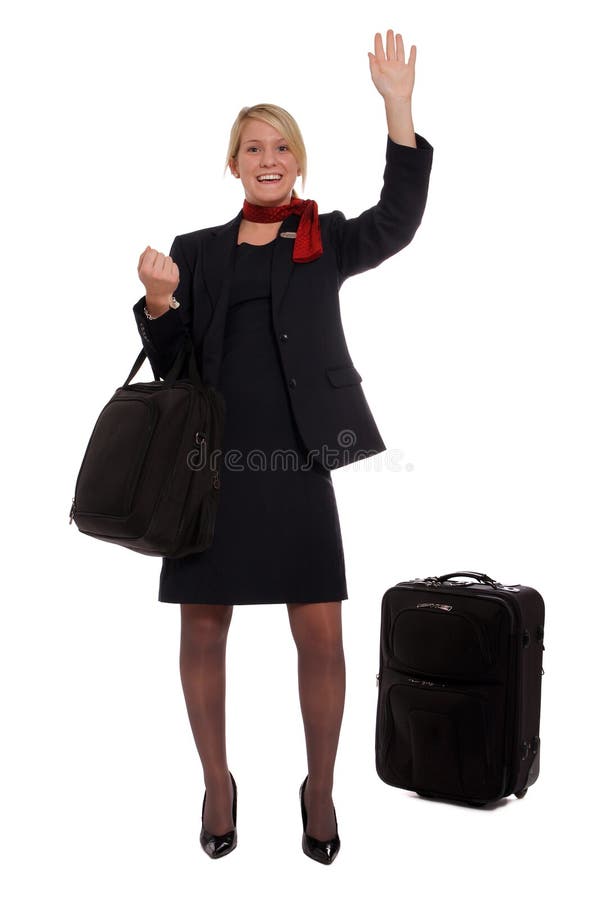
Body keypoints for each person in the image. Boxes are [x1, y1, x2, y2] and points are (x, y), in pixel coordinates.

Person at [134, 28, 433, 864]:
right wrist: (161, 304)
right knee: (201, 631)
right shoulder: (195, 252)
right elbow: (178, 373)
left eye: (282, 146)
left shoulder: (324, 238)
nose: (268, 158)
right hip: (214, 474)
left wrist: (398, 109)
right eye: (252, 147)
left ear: (298, 162)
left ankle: (322, 788)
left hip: (297, 462)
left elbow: (400, 220)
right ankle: (218, 782)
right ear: (232, 164)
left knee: (324, 637)